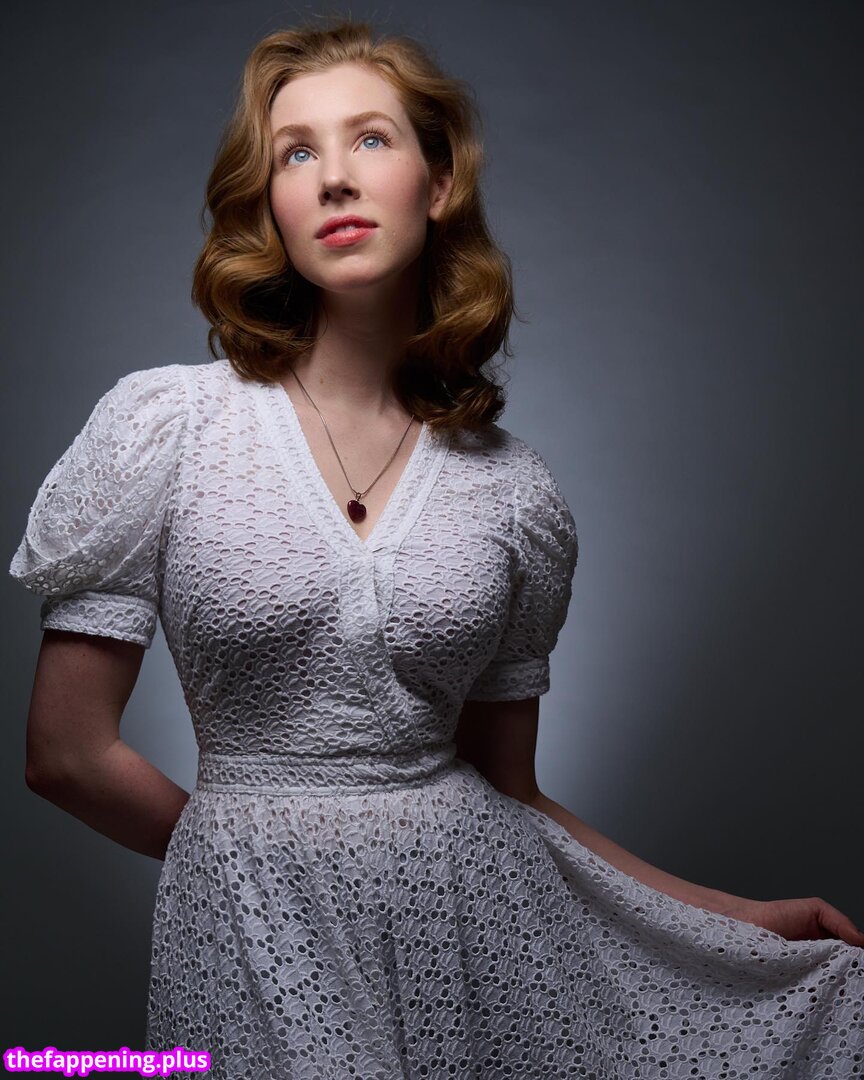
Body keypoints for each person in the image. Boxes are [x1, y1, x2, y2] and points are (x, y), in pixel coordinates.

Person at [9, 15, 864, 1080]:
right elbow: (66, 754)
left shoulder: (511, 492)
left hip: (473, 933)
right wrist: (241, 858)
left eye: (370, 139)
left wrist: (732, 917)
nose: (334, 177)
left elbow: (513, 794)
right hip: (247, 924)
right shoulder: (169, 428)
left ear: (440, 180)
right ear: (269, 203)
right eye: (295, 153)